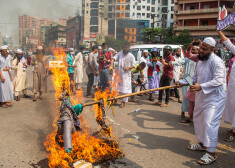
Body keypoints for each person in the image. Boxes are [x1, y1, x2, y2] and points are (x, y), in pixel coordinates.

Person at [177, 37, 226, 165]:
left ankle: (211, 153)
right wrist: (181, 82)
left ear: (212, 50)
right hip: (201, 96)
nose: (201, 51)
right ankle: (202, 143)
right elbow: (193, 78)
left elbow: (219, 80)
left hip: (214, 98)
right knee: (198, 119)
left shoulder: (217, 62)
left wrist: (201, 86)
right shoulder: (200, 61)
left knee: (210, 123)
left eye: (205, 49)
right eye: (201, 48)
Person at [217, 30, 235, 142]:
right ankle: (233, 129)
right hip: (232, 87)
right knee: (232, 106)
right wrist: (219, 32)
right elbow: (228, 43)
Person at [110, 42, 136, 108]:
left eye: (126, 48)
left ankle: (123, 102)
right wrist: (111, 65)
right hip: (119, 74)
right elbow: (113, 58)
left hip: (126, 76)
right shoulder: (119, 54)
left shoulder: (131, 56)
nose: (125, 49)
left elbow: (134, 65)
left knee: (126, 90)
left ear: (129, 48)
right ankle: (115, 99)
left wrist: (128, 68)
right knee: (115, 88)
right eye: (124, 47)